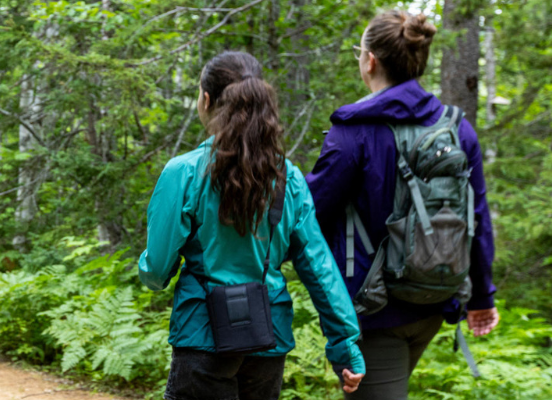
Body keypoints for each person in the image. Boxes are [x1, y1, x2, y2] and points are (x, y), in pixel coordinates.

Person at [139, 51, 365, 400]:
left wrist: (157, 270)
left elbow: (155, 270)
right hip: (267, 336)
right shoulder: (287, 177)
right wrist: (346, 346)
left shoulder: (183, 172)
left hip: (203, 335)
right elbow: (319, 268)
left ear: (206, 99)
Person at [305, 10, 500, 399]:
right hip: (434, 297)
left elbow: (308, 214)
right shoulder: (456, 128)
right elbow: (476, 217)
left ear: (370, 60)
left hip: (372, 309)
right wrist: (482, 296)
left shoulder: (353, 133)